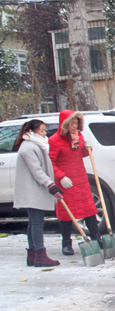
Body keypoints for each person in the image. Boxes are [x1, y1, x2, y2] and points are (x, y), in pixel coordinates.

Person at [48, 111, 101, 255]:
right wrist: (61, 177)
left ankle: (96, 238)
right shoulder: (54, 140)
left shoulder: (78, 136)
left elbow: (82, 154)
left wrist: (87, 148)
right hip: (66, 182)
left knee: (89, 209)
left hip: (80, 179)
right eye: (71, 123)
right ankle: (66, 243)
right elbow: (50, 162)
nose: (74, 126)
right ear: (64, 124)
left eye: (76, 123)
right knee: (66, 213)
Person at [14, 120, 63, 267]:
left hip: (35, 189)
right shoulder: (28, 148)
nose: (44, 133)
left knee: (33, 222)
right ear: (31, 132)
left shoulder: (35, 145)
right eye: (41, 130)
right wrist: (50, 184)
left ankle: (33, 255)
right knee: (37, 223)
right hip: (32, 190)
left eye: (44, 130)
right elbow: (37, 170)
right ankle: (40, 255)